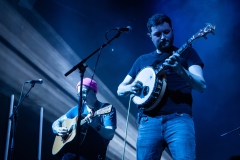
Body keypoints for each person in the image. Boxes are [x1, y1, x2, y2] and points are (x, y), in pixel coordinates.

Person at [117, 13, 206, 160]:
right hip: (148, 121)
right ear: (150, 36)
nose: (163, 37)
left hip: (179, 120)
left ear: (172, 30)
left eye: (166, 32)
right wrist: (131, 88)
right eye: (157, 34)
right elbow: (120, 89)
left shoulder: (187, 53)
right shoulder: (142, 60)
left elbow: (202, 86)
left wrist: (181, 71)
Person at [52, 77, 117, 160]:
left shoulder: (106, 108)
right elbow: (57, 122)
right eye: (79, 94)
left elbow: (110, 134)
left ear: (93, 91)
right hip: (71, 153)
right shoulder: (77, 109)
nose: (81, 97)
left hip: (94, 154)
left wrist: (96, 125)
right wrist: (57, 129)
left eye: (84, 92)